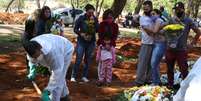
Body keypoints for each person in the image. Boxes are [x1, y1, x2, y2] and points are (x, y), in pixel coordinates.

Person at [24, 34, 74, 101]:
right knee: (59, 79)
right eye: (34, 57)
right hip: (54, 48)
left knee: (59, 79)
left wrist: (48, 90)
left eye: (37, 55)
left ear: (40, 49)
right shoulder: (30, 47)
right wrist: (32, 69)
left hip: (66, 50)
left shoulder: (54, 52)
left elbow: (57, 73)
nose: (37, 58)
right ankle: (65, 97)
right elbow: (31, 59)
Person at [166, 2, 201, 88]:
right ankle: (170, 85)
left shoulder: (188, 20)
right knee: (169, 69)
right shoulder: (171, 20)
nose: (177, 11)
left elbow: (198, 32)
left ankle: (185, 87)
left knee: (183, 69)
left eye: (179, 9)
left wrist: (192, 44)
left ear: (183, 9)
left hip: (181, 50)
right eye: (176, 9)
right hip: (170, 49)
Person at [71, 4, 99, 82]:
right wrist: (81, 34)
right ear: (86, 11)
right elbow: (75, 29)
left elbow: (97, 30)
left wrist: (95, 23)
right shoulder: (81, 18)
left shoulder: (95, 19)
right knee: (79, 58)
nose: (91, 14)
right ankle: (73, 76)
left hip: (91, 42)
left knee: (88, 59)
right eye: (90, 12)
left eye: (92, 12)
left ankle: (84, 76)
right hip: (81, 41)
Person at [142, 9, 168, 85]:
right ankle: (157, 81)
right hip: (156, 43)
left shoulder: (158, 20)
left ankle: (155, 82)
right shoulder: (154, 22)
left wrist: (146, 28)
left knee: (153, 63)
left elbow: (154, 31)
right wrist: (146, 30)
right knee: (154, 63)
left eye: (154, 14)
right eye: (151, 14)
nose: (152, 15)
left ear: (158, 14)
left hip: (161, 44)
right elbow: (152, 34)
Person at [132, 1, 154, 86]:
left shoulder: (155, 16)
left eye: (147, 7)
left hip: (155, 43)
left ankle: (148, 80)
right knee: (142, 62)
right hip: (146, 43)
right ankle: (139, 81)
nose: (145, 9)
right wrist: (156, 30)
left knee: (152, 63)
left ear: (151, 7)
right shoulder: (142, 18)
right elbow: (148, 32)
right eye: (144, 8)